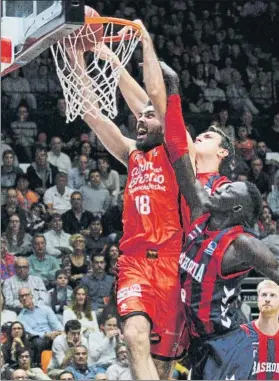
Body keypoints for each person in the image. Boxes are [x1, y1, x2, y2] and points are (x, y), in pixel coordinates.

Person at [162, 85, 279, 380]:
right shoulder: (202, 214)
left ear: (237, 210)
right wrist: (172, 90)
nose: (223, 187)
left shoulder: (241, 244)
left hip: (228, 344)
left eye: (229, 190)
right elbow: (178, 154)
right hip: (199, 341)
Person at [240, 280, 279, 380]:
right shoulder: (242, 333)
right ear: (258, 300)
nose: (267, 299)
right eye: (264, 295)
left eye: (272, 295)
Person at [18, 287, 63, 365]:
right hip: (39, 339)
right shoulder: (20, 318)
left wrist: (61, 332)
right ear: (19, 300)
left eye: (26, 295)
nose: (24, 298)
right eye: (22, 296)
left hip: (53, 335)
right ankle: (39, 366)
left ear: (31, 296)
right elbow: (31, 332)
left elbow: (55, 323)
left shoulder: (45, 309)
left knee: (63, 337)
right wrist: (46, 335)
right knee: (38, 342)